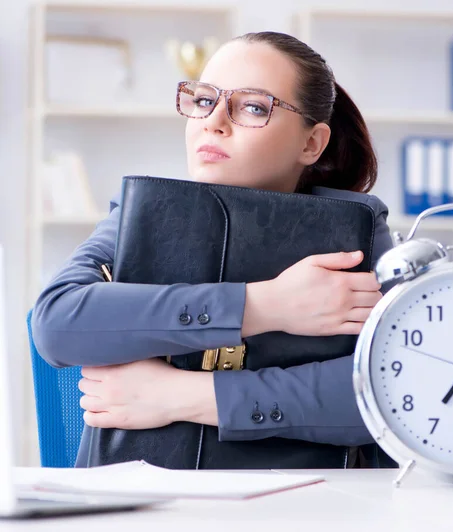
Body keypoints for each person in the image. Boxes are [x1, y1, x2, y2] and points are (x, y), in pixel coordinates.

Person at [32, 31, 396, 469]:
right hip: (140, 507)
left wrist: (183, 397)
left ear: (311, 143)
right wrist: (262, 306)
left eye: (253, 107)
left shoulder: (355, 232)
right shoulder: (139, 216)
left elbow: (393, 390)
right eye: (204, 100)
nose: (214, 121)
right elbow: (57, 324)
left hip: (304, 508)